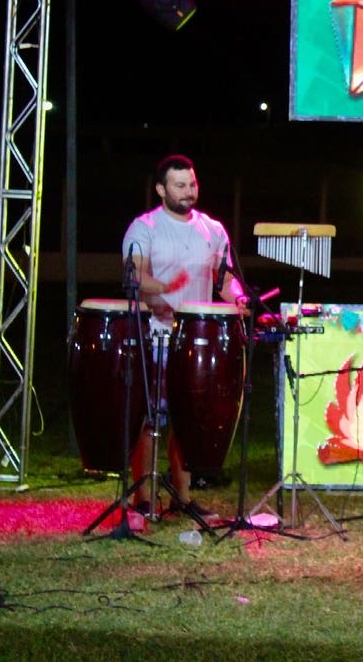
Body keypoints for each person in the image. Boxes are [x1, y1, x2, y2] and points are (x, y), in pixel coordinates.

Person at [122, 154, 246, 524]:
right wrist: (161, 290)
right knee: (151, 419)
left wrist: (239, 298)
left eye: (192, 184)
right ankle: (144, 498)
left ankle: (183, 497)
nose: (189, 191)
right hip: (156, 335)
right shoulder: (144, 228)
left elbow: (224, 279)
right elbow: (134, 276)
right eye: (180, 185)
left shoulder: (213, 229)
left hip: (195, 341)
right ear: (161, 190)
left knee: (188, 421)